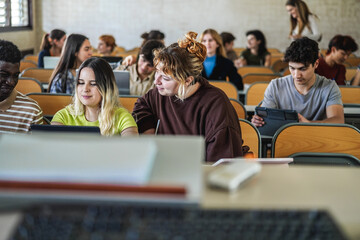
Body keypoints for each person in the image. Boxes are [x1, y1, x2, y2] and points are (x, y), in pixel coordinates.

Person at [132, 32, 244, 162]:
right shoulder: (159, 94)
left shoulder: (215, 104)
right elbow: (142, 106)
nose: (156, 81)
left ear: (187, 80)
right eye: (157, 72)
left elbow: (220, 163)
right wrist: (149, 134)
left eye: (165, 78)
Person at [251, 37, 344, 127]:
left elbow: (338, 121)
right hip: (284, 139)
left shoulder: (330, 87)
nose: (296, 75)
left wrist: (309, 124)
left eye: (302, 69)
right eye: (292, 68)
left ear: (316, 64)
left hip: (317, 139)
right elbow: (265, 119)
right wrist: (258, 121)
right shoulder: (275, 86)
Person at [51, 57, 138, 136]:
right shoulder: (63, 116)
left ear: (106, 87)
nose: (85, 89)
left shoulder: (122, 117)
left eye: (93, 84)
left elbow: (132, 148)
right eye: (81, 83)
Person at [0, 40, 43, 133]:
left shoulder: (30, 111)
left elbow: (37, 147)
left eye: (15, 75)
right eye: (3, 74)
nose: (11, 82)